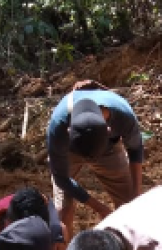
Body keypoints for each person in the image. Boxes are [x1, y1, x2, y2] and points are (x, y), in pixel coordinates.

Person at [47, 83, 145, 240]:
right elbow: (61, 178)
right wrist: (100, 208)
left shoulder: (123, 116)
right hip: (70, 150)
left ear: (108, 129)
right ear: (69, 130)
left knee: (129, 205)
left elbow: (135, 151)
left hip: (109, 149)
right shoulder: (59, 125)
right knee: (62, 213)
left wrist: (136, 195)